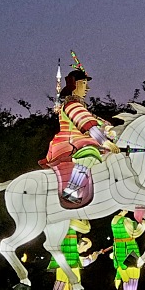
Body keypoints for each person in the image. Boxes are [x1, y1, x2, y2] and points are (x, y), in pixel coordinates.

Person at [42, 58, 121, 206]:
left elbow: (96, 120)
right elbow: (86, 122)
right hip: (69, 141)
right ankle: (71, 190)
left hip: (79, 140)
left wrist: (109, 128)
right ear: (75, 85)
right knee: (90, 153)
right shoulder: (71, 104)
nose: (87, 88)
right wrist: (104, 142)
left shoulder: (80, 105)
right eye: (84, 84)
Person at [48, 220, 99, 290]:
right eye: (86, 247)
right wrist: (90, 260)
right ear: (82, 244)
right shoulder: (68, 227)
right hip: (65, 258)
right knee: (62, 281)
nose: (86, 250)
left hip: (68, 259)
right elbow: (86, 228)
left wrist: (90, 259)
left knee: (72, 282)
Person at [111, 207, 145, 290]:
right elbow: (135, 232)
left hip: (118, 252)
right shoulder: (126, 221)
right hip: (130, 249)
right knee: (133, 278)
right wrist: (143, 224)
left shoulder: (113, 222)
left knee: (126, 280)